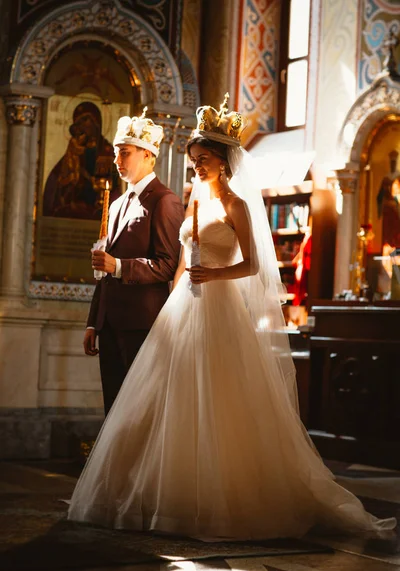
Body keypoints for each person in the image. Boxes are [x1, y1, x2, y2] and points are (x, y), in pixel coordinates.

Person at [68, 97, 396, 541]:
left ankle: (217, 495)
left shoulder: (239, 205)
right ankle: (151, 491)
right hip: (184, 303)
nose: (197, 167)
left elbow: (257, 266)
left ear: (224, 161)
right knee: (163, 396)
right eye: (193, 160)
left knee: (217, 395)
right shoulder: (194, 199)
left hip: (220, 303)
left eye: (204, 160)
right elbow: (183, 259)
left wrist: (215, 273)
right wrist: (174, 297)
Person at [85, 109, 184, 415]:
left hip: (143, 324)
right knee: (113, 410)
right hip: (109, 323)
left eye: (124, 154)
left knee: (138, 412)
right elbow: (105, 268)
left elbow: (168, 265)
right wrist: (93, 321)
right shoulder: (116, 204)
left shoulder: (164, 201)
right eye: (116, 154)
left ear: (148, 155)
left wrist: (121, 266)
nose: (117, 162)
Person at [43, 101, 120, 219]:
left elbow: (115, 185)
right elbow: (57, 184)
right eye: (78, 123)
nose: (82, 126)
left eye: (85, 120)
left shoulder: (107, 151)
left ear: (96, 122)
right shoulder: (74, 150)